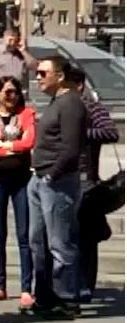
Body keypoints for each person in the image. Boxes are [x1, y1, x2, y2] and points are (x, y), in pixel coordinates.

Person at [26, 56, 86, 318]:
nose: (37, 77)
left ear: (60, 76)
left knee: (60, 243)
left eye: (42, 73)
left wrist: (53, 174)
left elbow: (71, 148)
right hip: (39, 179)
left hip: (57, 182)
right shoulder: (56, 102)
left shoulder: (71, 103)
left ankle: (67, 298)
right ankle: (45, 295)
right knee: (37, 240)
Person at [0, 76, 36, 306]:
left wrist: (5, 145)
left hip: (22, 180)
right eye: (8, 92)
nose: (12, 96)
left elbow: (29, 142)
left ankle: (26, 288)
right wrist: (5, 148)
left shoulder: (27, 115)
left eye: (15, 92)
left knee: (24, 235)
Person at [67, 65, 119, 302]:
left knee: (86, 238)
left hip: (86, 180)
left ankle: (85, 285)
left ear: (78, 85)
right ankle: (72, 284)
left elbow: (110, 132)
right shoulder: (62, 108)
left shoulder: (91, 107)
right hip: (64, 179)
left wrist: (82, 133)